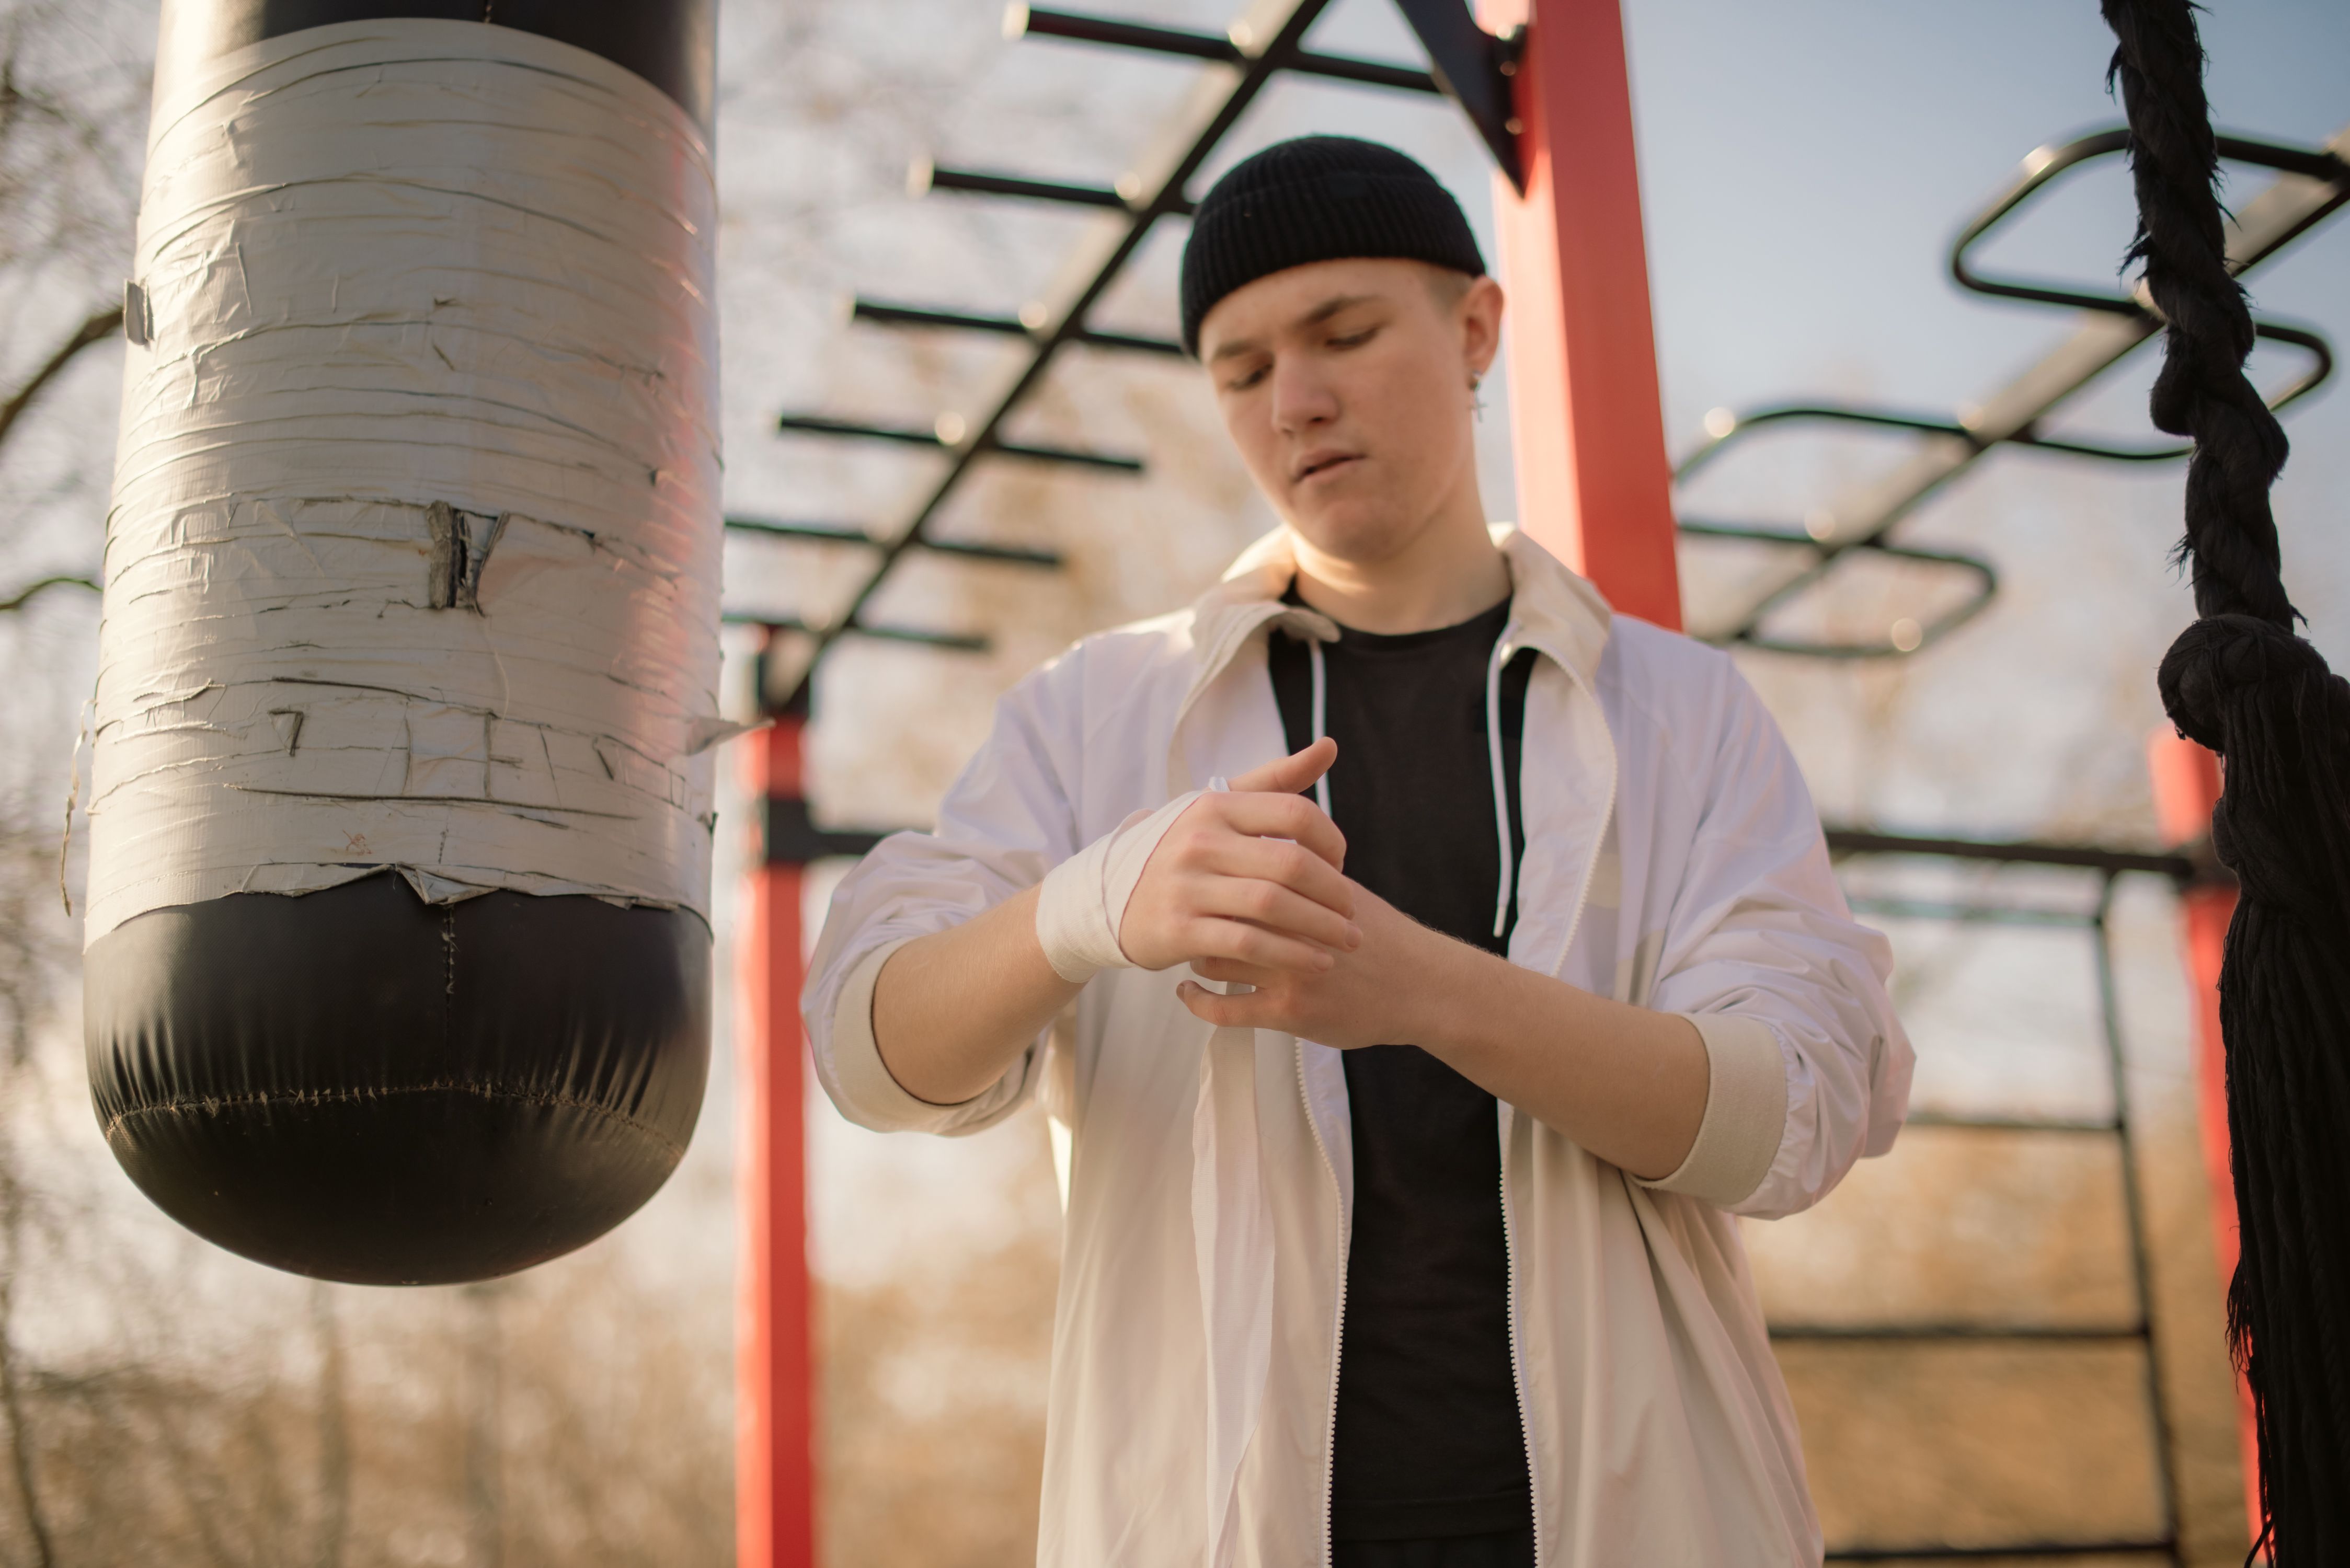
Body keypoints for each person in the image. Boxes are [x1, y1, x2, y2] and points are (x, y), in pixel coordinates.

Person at [805, 135, 1911, 1568]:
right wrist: (1087, 907)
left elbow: (1791, 1120)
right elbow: (866, 1048)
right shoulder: (1097, 712)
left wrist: (1421, 992)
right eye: (1242, 369)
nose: (1297, 402)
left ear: (1476, 330)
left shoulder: (1683, 710)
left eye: (1342, 334)